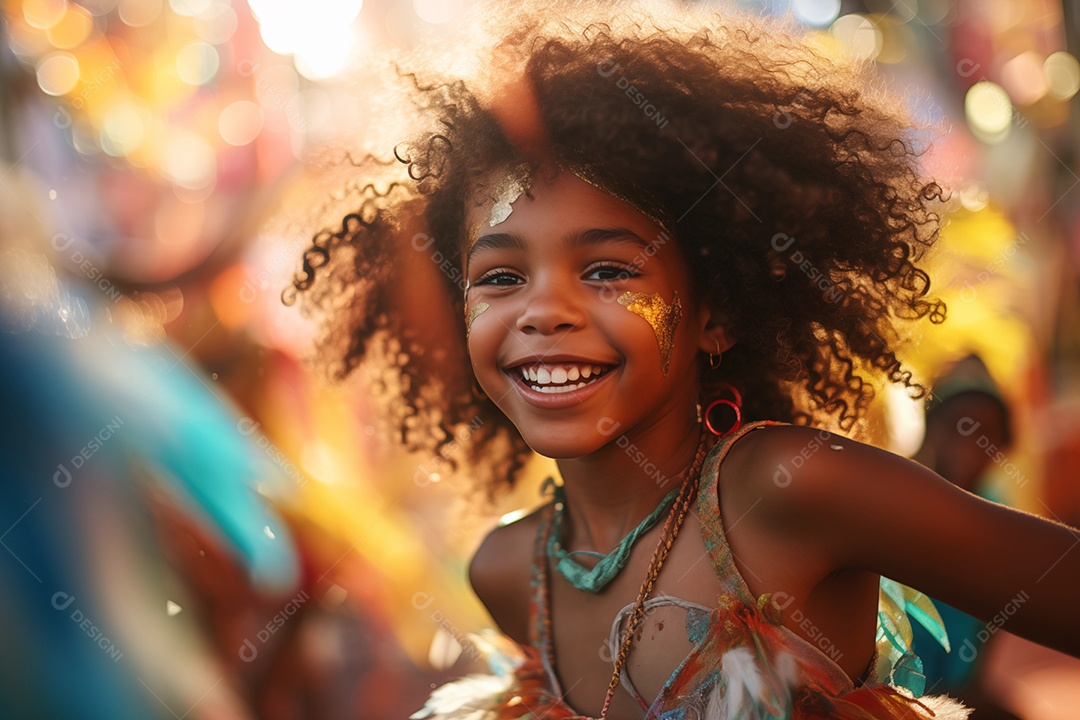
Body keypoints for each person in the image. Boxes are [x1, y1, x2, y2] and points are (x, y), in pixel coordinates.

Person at [285, 3, 1080, 718]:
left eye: (607, 270)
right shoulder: (507, 570)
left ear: (716, 311)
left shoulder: (789, 489)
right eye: (499, 278)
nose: (542, 311)